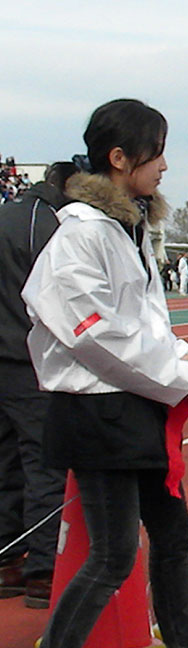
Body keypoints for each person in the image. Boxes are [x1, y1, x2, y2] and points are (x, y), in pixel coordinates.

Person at [21, 99, 188, 648]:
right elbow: (94, 334)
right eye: (156, 153)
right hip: (98, 412)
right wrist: (176, 375)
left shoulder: (125, 229)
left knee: (173, 535)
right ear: (119, 158)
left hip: (137, 403)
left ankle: (187, 642)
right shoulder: (81, 236)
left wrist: (186, 358)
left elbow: (146, 318)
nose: (164, 166)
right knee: (113, 556)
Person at [0, 162, 76, 609]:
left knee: (5, 459)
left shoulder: (12, 214)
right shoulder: (48, 226)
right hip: (27, 359)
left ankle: (8, 558)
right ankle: (44, 569)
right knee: (43, 463)